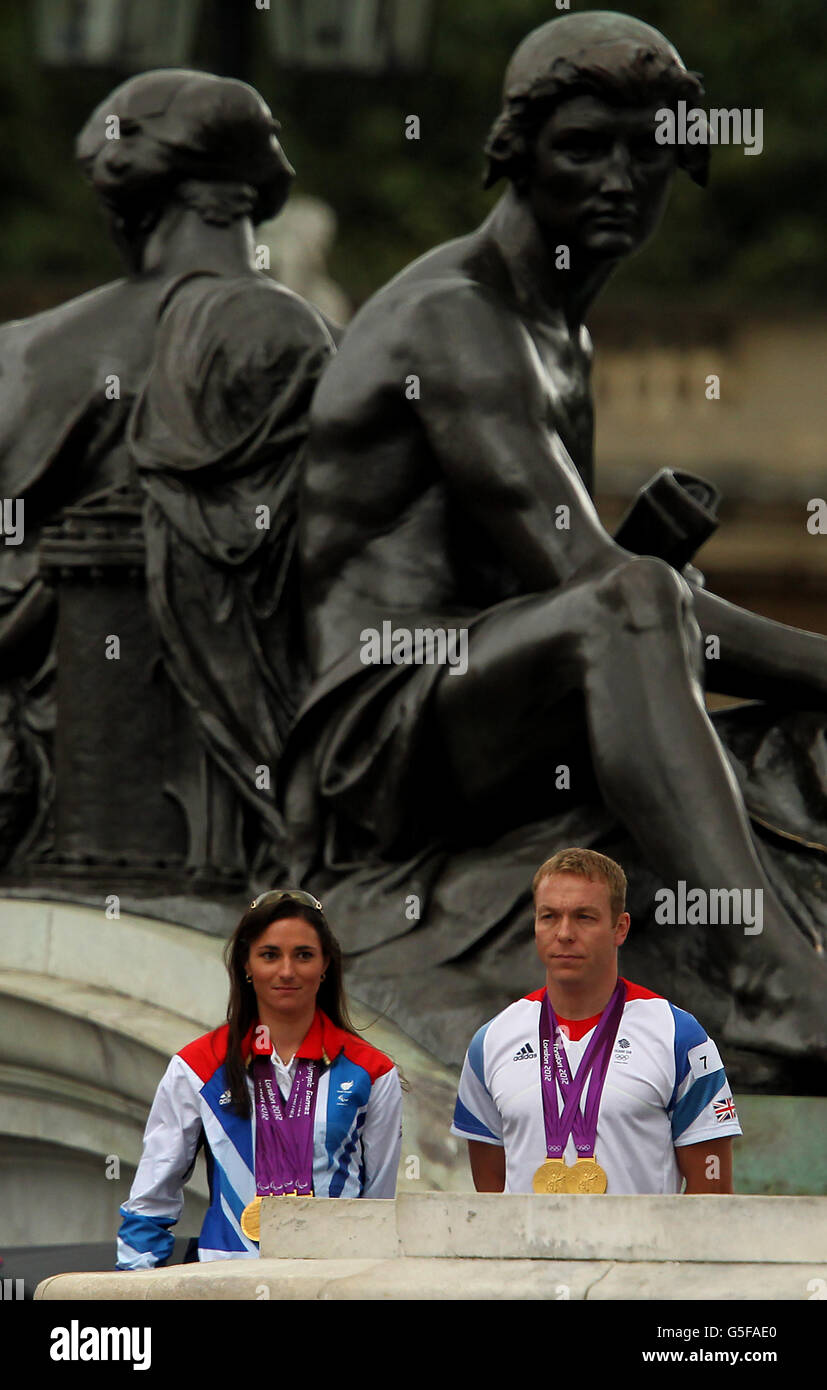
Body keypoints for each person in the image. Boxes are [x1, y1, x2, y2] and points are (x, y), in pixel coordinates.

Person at [284, 10, 827, 1071]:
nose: (619, 178)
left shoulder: (559, 331)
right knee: (636, 602)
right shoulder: (459, 323)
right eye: (584, 148)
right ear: (515, 157)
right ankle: (767, 982)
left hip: (474, 696)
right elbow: (601, 593)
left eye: (647, 150)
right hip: (375, 726)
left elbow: (546, 576)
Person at [116, 890, 402, 1267]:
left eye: (303, 955)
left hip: (334, 1280)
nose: (287, 971)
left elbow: (378, 1205)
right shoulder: (197, 1066)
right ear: (246, 966)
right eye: (270, 955)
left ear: (325, 965)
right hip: (225, 1282)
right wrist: (132, 1283)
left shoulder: (373, 1070)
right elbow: (153, 1196)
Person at [451, 848, 742, 1195]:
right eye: (549, 917)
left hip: (643, 1249)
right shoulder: (493, 1039)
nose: (564, 933)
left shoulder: (678, 1035)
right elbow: (491, 1194)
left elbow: (711, 1193)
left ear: (620, 928)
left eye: (584, 917)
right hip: (528, 1251)